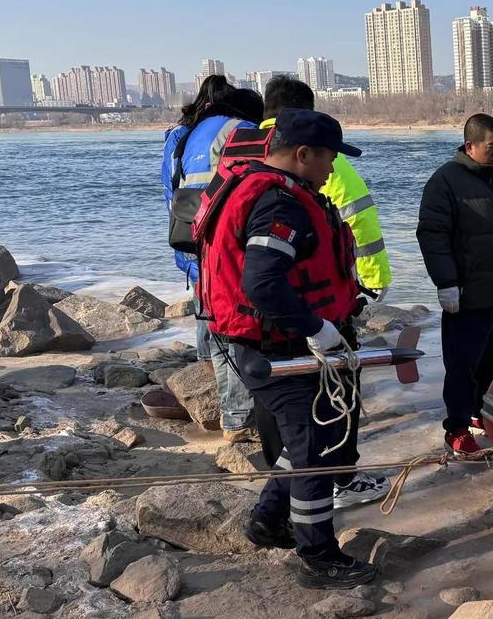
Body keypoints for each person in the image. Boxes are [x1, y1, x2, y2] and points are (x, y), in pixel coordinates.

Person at [197, 108, 376, 588]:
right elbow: (262, 283)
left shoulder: (265, 188)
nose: (333, 167)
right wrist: (316, 327)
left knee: (306, 441)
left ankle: (268, 520)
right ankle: (319, 556)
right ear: (303, 154)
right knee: (314, 449)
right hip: (278, 347)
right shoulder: (281, 205)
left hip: (265, 342)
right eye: (330, 157)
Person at [244, 76, 392, 510]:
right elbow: (359, 221)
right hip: (306, 314)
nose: (331, 166)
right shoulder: (298, 176)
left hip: (250, 324)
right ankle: (332, 490)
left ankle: (276, 510)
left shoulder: (240, 155)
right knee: (327, 416)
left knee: (287, 423)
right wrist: (370, 285)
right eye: (329, 157)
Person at [416, 113, 493, 454]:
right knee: (462, 367)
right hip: (467, 297)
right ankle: (456, 429)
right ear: (470, 146)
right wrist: (446, 282)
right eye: (491, 146)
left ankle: (484, 415)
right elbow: (432, 235)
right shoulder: (445, 181)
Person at [161, 76, 264, 441]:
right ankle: (239, 420)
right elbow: (257, 186)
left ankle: (220, 400)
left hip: (191, 239)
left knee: (213, 322)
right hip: (227, 243)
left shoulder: (183, 134)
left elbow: (170, 190)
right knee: (239, 328)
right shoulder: (242, 129)